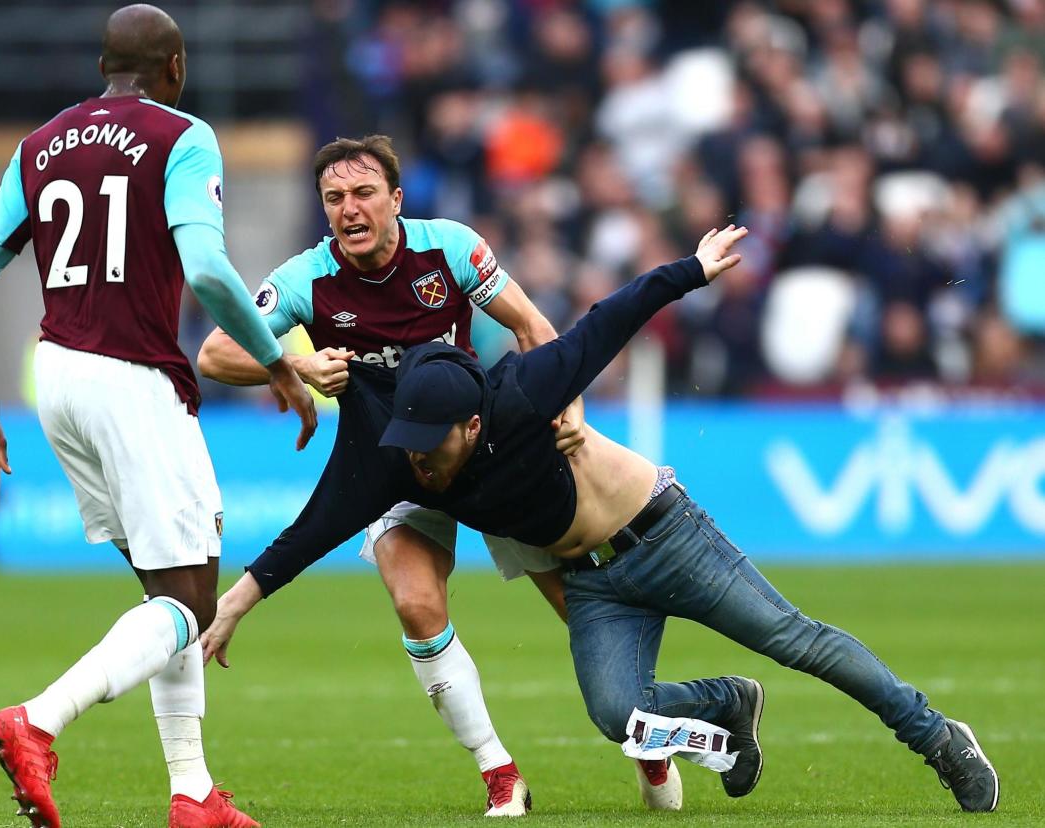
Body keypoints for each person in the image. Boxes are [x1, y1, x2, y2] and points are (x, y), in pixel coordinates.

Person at [203, 225, 999, 814]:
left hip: (665, 535)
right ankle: (727, 704)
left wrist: (692, 268)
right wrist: (233, 606)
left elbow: (608, 321)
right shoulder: (393, 455)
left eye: (428, 446)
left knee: (797, 640)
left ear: (473, 425)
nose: (416, 461)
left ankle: (935, 736)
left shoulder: (522, 394)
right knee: (621, 716)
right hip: (594, 585)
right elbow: (310, 533)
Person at [197, 135, 671, 816]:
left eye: (363, 194)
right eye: (334, 198)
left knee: (577, 606)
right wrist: (298, 364)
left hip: (482, 452)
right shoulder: (307, 277)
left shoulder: (448, 247)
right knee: (416, 605)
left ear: (395, 198)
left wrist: (570, 412)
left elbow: (535, 328)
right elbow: (216, 353)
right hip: (393, 465)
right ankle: (499, 772)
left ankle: (644, 734)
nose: (348, 210)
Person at [0, 6, 316, 828]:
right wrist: (277, 358)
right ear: (175, 66)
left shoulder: (40, 144)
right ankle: (38, 722)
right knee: (189, 600)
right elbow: (211, 273)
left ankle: (192, 793)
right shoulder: (182, 135)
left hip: (60, 377)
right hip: (132, 378)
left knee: (165, 587)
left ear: (103, 65)